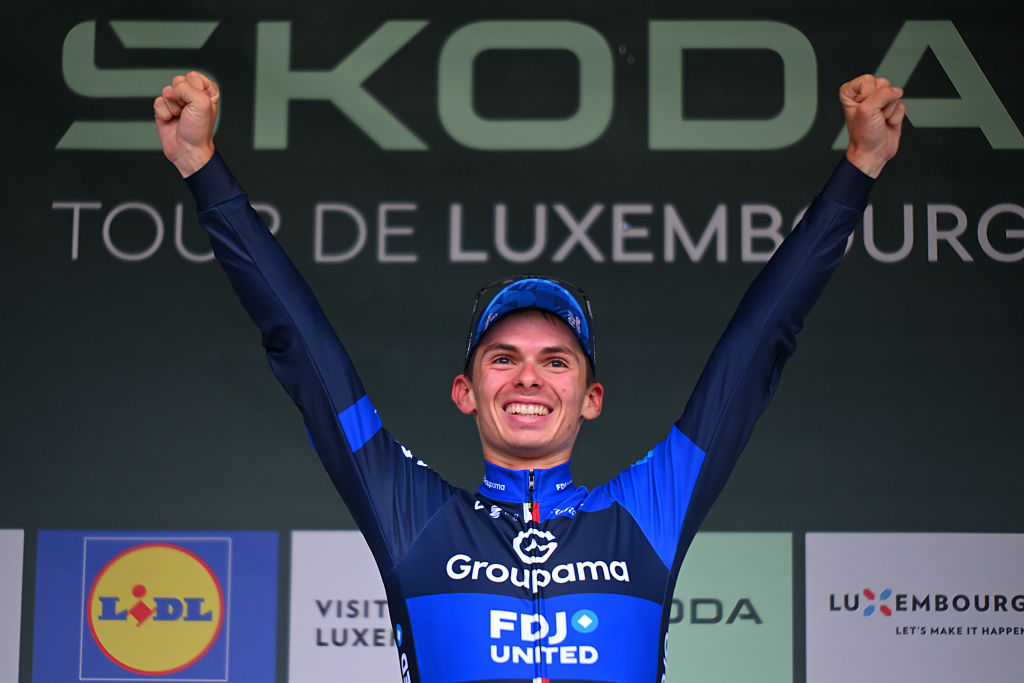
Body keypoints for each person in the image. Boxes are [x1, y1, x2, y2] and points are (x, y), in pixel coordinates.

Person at [155, 72, 904, 683]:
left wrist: (859, 169)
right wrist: (202, 168)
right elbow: (301, 342)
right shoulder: (411, 509)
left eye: (557, 361)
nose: (528, 379)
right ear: (466, 390)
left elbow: (758, 343)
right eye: (503, 357)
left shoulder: (651, 505)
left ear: (590, 398)